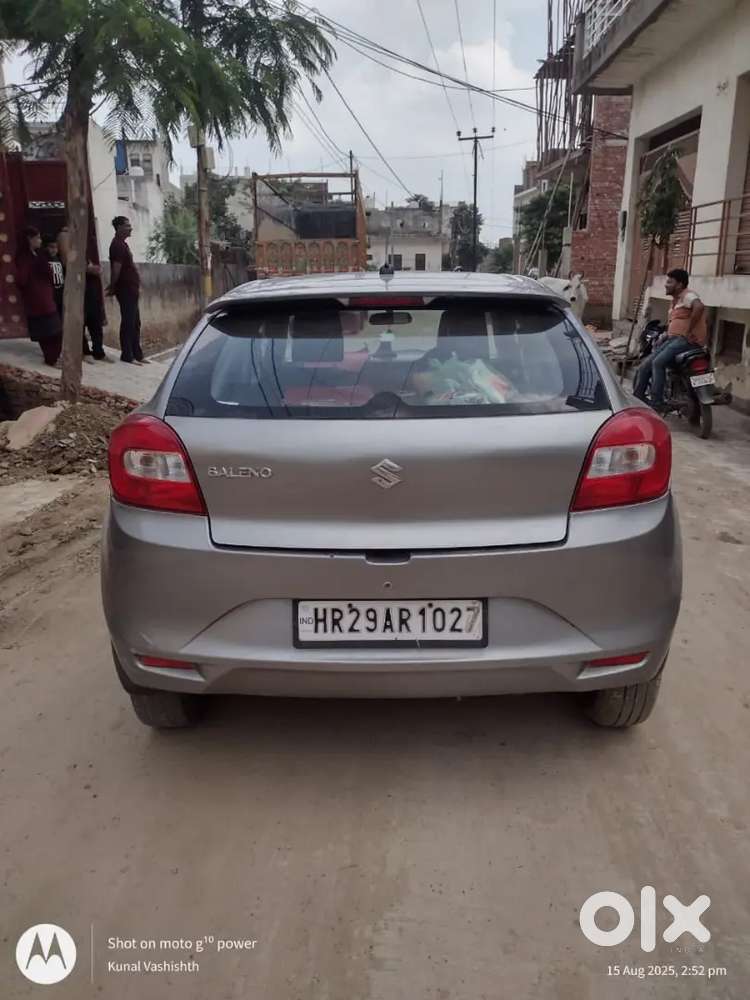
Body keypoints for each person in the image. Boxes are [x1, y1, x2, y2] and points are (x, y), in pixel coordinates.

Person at [634, 269, 708, 411]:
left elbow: (699, 307)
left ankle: (658, 402)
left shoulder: (688, 295)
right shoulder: (676, 301)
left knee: (658, 362)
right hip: (673, 339)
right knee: (644, 365)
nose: (666, 285)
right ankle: (638, 398)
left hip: (685, 340)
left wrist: (689, 330)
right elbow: (676, 322)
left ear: (679, 284)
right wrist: (665, 334)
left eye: (669, 282)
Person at [14, 226, 63, 366]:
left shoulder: (36, 255)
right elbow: (21, 280)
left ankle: (52, 358)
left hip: (45, 297)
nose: (40, 241)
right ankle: (51, 359)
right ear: (30, 239)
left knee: (51, 331)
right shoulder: (25, 258)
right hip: (39, 300)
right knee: (52, 332)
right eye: (38, 238)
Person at [106, 216, 148, 365]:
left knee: (136, 322)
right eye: (127, 225)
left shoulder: (123, 244)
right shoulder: (117, 245)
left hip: (131, 289)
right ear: (118, 228)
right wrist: (112, 286)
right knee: (128, 322)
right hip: (125, 290)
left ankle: (137, 354)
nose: (130, 228)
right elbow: (116, 269)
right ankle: (127, 355)